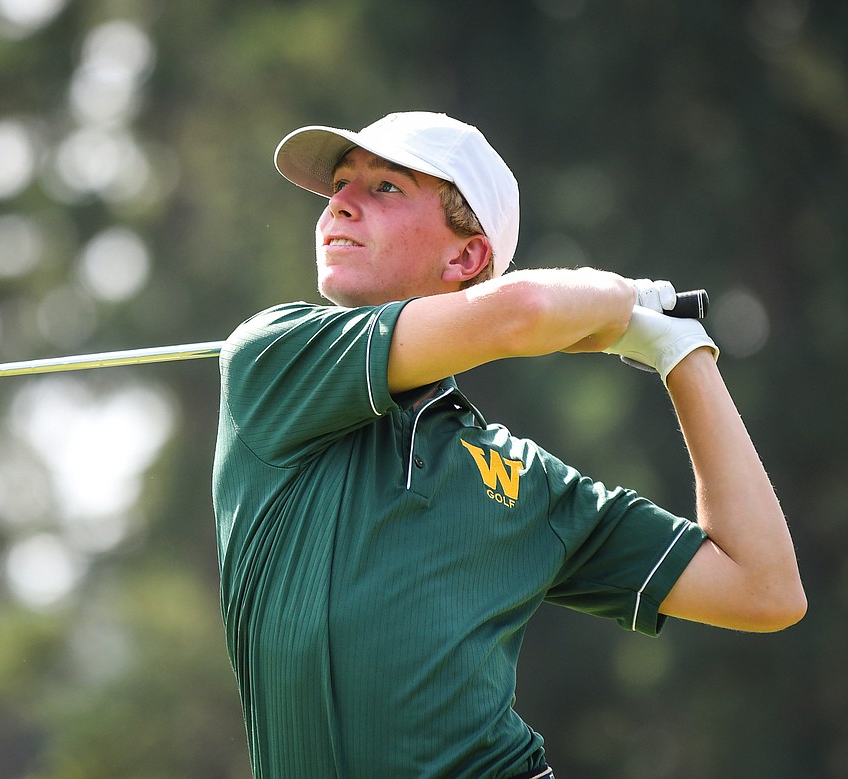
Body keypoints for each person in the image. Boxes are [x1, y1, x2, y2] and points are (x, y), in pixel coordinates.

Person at [211, 111, 806, 779]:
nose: (339, 204)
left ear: (466, 257)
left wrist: (683, 353)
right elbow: (520, 312)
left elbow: (765, 589)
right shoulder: (273, 355)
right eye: (341, 184)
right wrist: (622, 297)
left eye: (383, 188)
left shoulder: (522, 479)